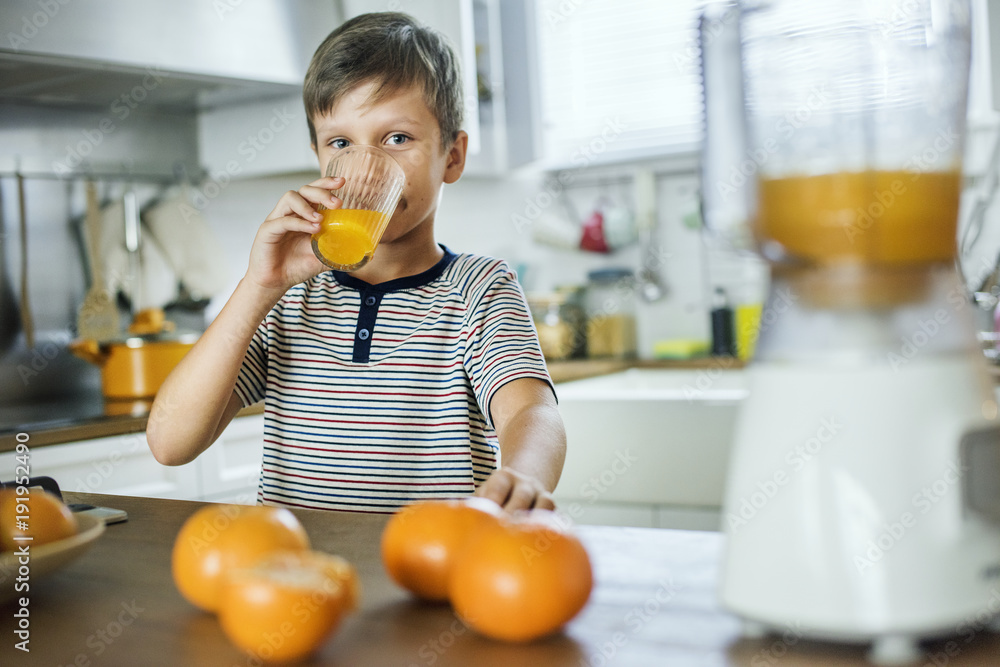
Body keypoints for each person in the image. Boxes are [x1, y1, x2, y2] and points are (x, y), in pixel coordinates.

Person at [146, 12, 566, 513]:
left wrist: (520, 477)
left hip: (428, 572)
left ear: (452, 156)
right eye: (341, 143)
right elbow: (170, 443)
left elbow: (531, 412)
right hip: (295, 573)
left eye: (397, 139)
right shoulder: (288, 299)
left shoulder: (479, 290)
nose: (368, 169)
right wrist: (259, 286)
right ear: (320, 158)